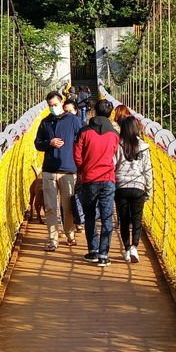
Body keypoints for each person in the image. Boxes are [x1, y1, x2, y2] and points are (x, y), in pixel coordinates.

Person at [34, 90, 83, 251]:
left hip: (68, 170)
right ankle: (52, 239)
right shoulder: (45, 122)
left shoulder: (74, 121)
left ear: (62, 102)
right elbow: (37, 144)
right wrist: (50, 143)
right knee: (50, 207)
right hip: (49, 170)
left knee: (67, 206)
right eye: (50, 106)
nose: (53, 108)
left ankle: (69, 234)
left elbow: (82, 142)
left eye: (55, 105)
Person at [73, 99, 120, 266]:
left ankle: (92, 251)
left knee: (90, 215)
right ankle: (103, 254)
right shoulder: (114, 135)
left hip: (89, 179)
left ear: (94, 111)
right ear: (110, 114)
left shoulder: (84, 132)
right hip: (108, 179)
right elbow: (115, 155)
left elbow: (77, 155)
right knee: (107, 216)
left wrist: (83, 169)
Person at [114, 115, 153, 263]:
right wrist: (148, 189)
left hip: (121, 186)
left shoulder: (118, 145)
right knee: (137, 219)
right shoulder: (144, 147)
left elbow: (113, 165)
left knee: (123, 219)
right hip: (138, 187)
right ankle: (134, 247)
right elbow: (147, 170)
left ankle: (126, 248)